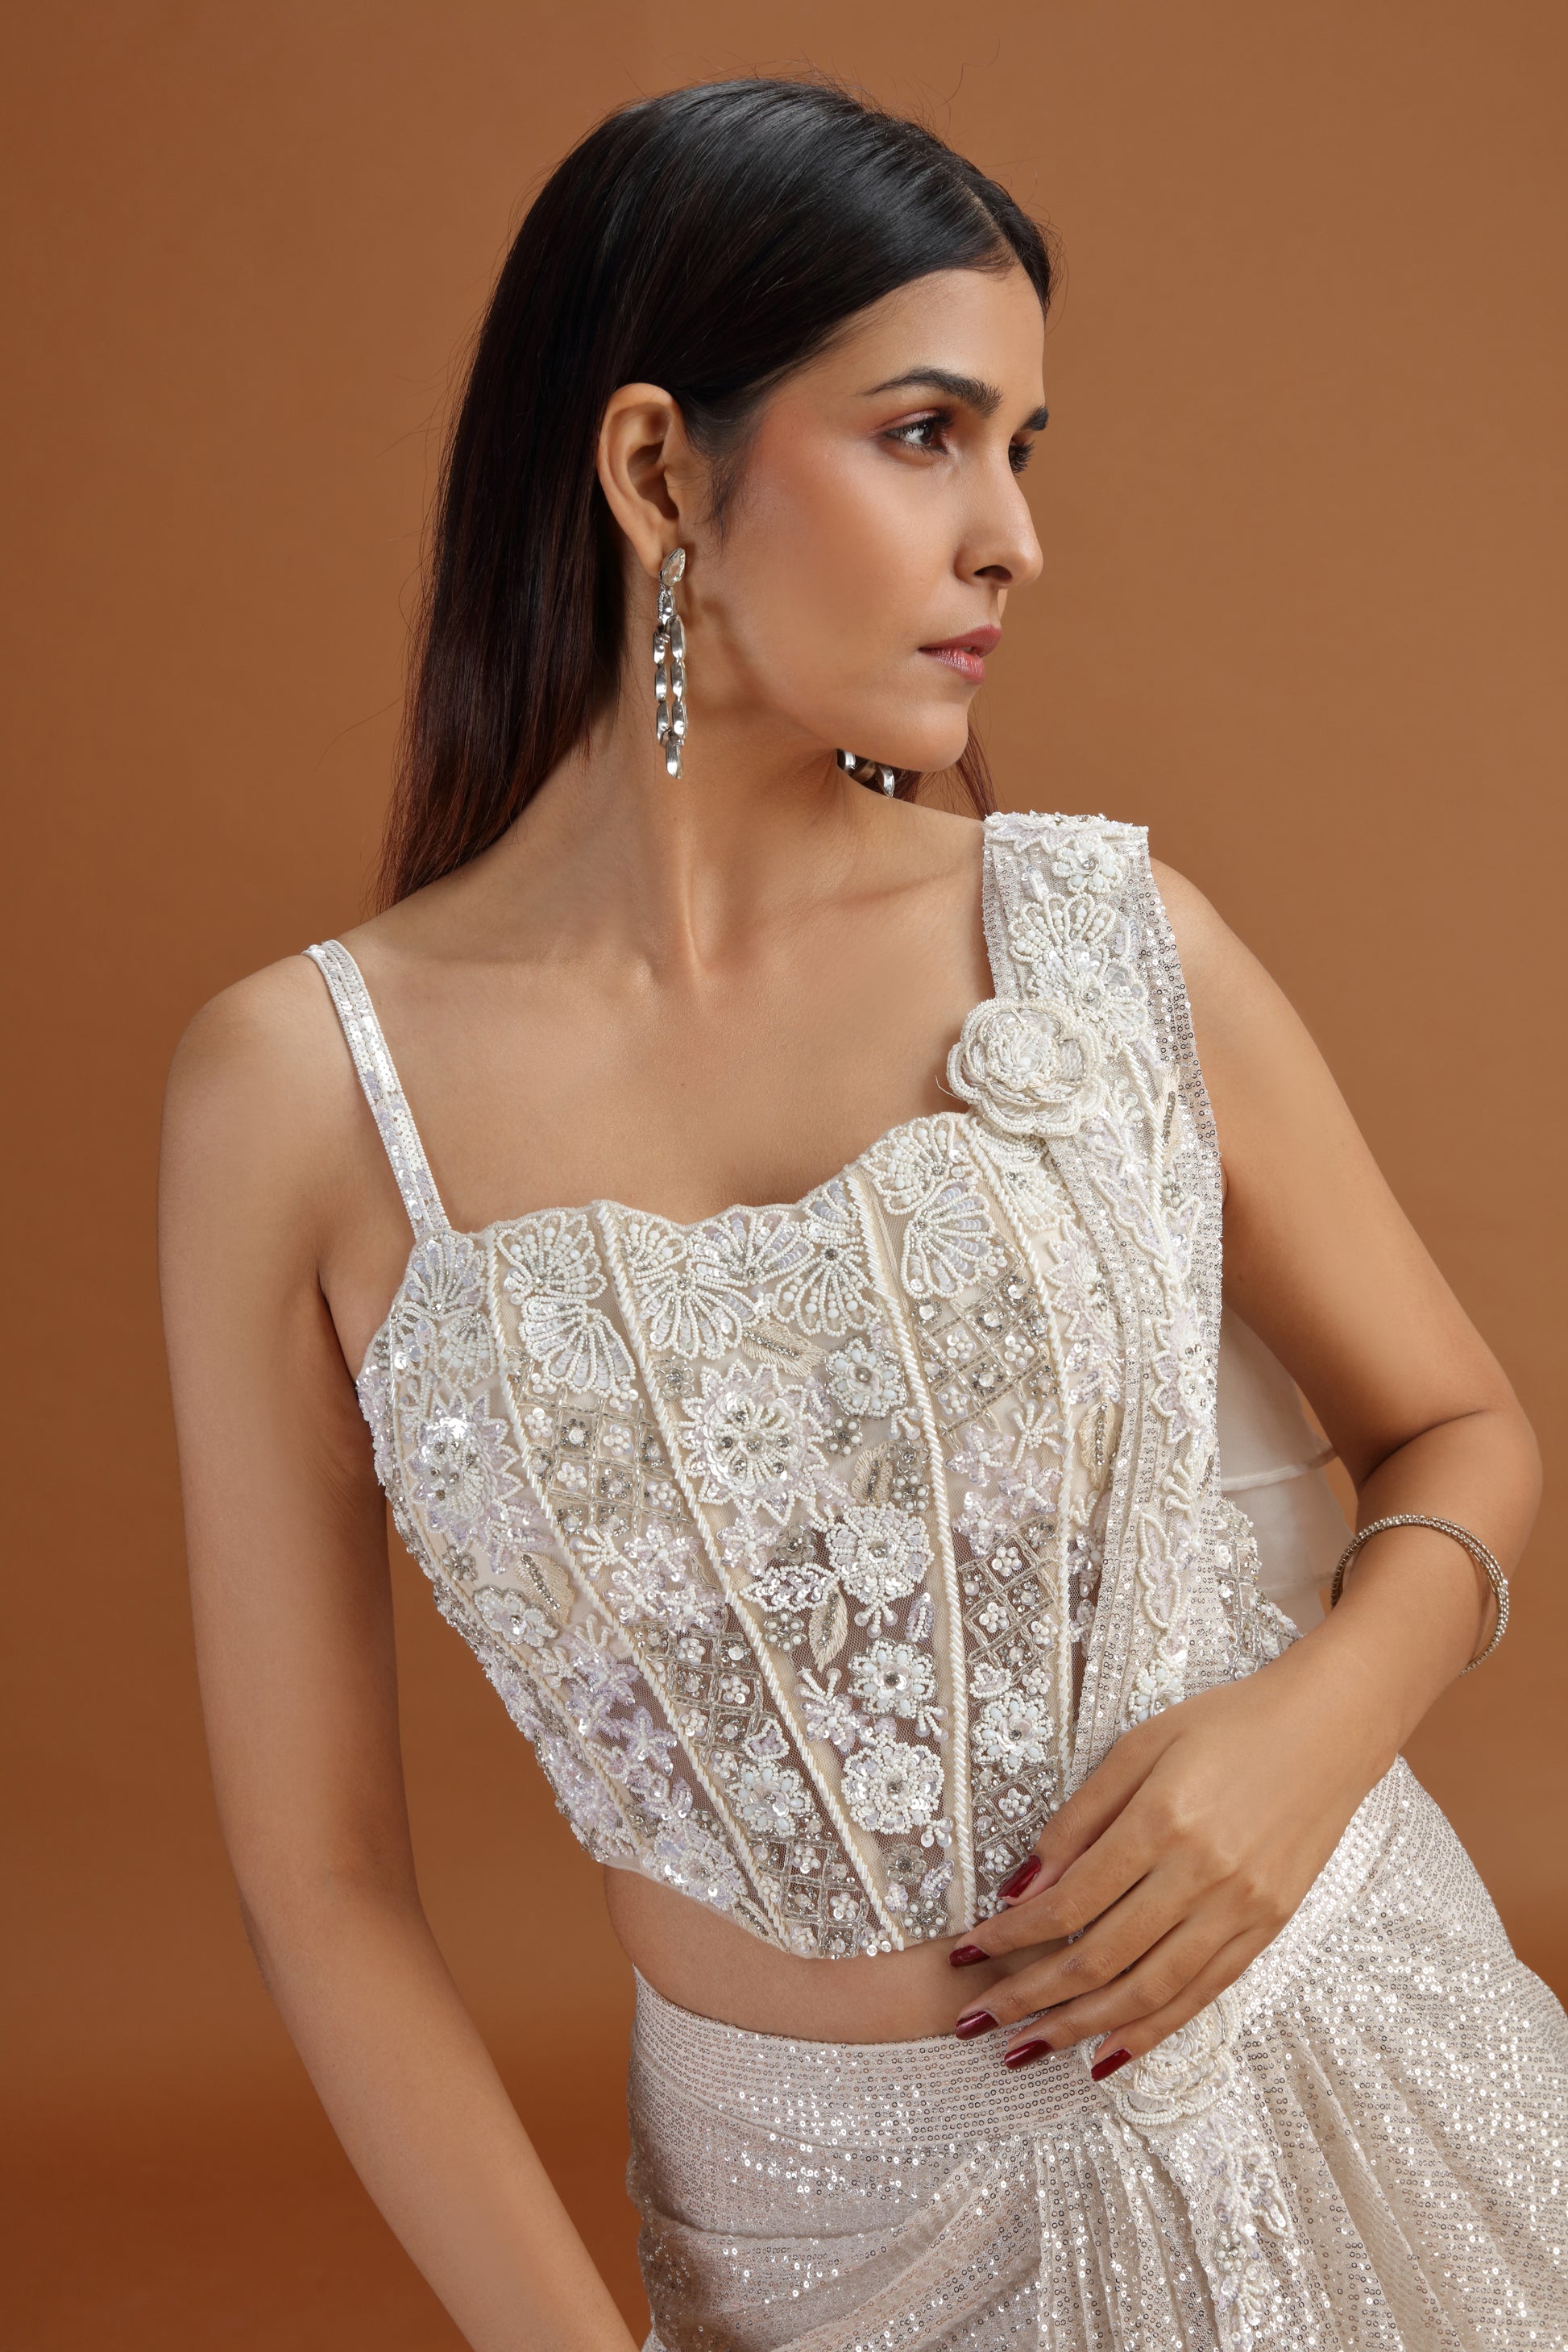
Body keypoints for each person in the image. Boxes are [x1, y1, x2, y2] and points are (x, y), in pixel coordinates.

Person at [159, 76, 1568, 2352]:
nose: (1009, 533)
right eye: (926, 433)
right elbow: (317, 1882)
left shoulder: (1106, 942)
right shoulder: (301, 1098)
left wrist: (1299, 1746)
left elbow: (1462, 1435)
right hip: (818, 2248)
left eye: (1023, 448)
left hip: (1343, 2082)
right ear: (653, 474)